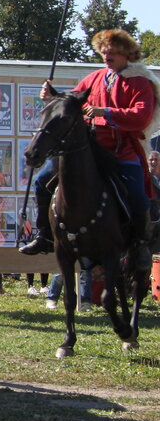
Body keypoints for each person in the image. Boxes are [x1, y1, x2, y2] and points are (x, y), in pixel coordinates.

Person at [19, 29, 159, 260]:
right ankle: (45, 235)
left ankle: (140, 243)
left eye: (112, 52)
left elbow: (141, 117)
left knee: (137, 193)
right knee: (42, 181)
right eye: (104, 52)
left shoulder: (140, 82)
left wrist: (105, 112)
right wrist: (51, 96)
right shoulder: (93, 79)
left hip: (121, 150)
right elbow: (70, 103)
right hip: (90, 150)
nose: (106, 56)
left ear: (127, 54)